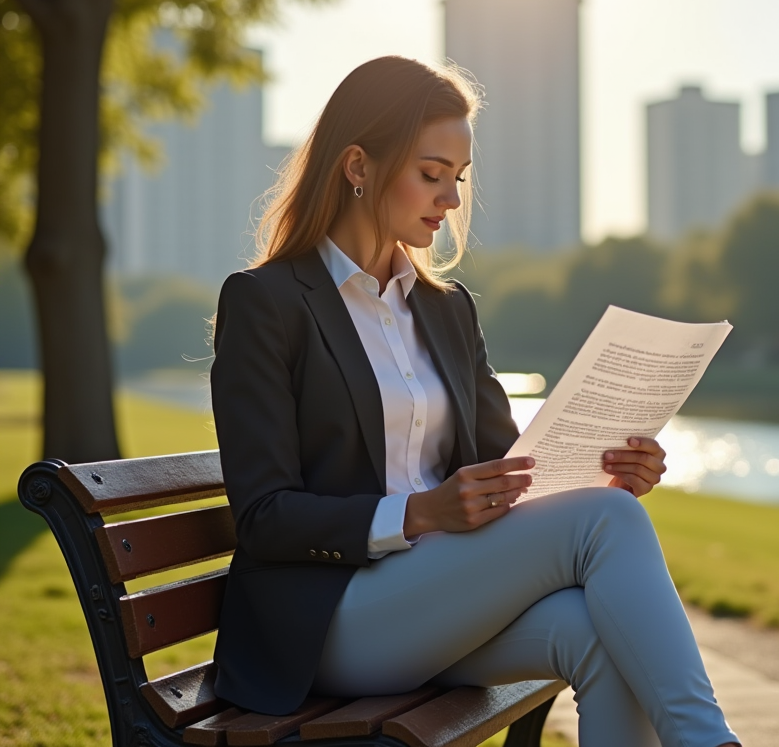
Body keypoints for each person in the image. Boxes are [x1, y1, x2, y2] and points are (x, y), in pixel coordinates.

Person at [208, 55, 740, 747]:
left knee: (605, 633)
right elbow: (263, 517)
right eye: (431, 175)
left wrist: (605, 473)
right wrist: (420, 511)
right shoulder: (269, 303)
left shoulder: (447, 310)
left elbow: (508, 468)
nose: (451, 201)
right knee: (604, 525)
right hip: (328, 621)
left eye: (457, 179)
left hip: (439, 602)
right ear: (358, 167)